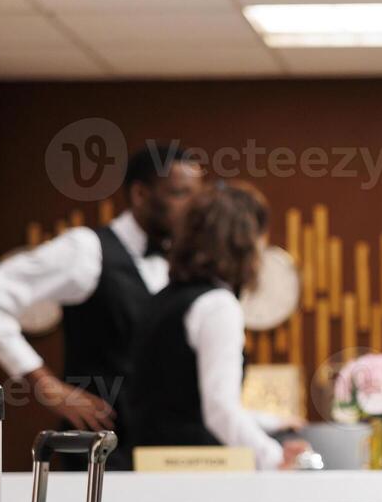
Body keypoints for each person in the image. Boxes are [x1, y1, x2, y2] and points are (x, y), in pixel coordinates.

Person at [0, 142, 204, 468]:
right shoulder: (85, 249)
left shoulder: (181, 261)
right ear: (140, 195)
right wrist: (46, 385)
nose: (193, 208)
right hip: (97, 449)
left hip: (162, 451)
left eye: (196, 195)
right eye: (180, 193)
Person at [127, 181, 309, 470]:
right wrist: (275, 458)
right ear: (244, 242)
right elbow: (219, 411)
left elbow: (184, 403)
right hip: (191, 473)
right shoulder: (217, 305)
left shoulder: (163, 298)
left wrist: (271, 422)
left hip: (149, 466)